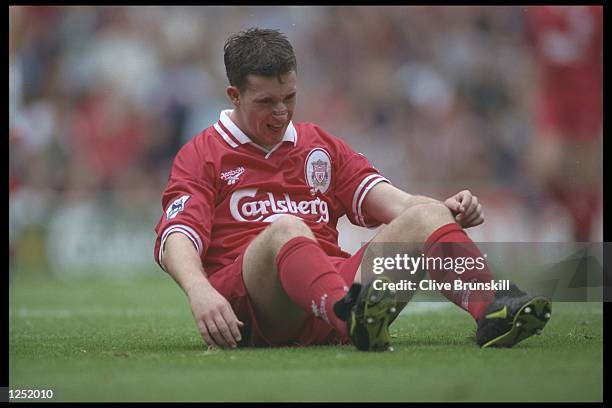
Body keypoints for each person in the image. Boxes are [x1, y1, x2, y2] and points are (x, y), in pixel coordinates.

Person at [154, 28, 551, 351]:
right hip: (256, 310)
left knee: (426, 213)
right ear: (234, 96)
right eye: (266, 101)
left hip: (332, 291)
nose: (281, 112)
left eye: (289, 97)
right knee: (286, 228)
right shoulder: (203, 152)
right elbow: (176, 236)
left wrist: (446, 210)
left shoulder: (319, 146)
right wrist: (198, 291)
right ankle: (353, 314)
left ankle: (494, 312)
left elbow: (397, 204)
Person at [524, 6, 602, 241]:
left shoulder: (594, 12)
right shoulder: (537, 12)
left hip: (586, 94)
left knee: (586, 169)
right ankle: (575, 215)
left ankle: (583, 233)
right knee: (544, 166)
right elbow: (533, 55)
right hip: (553, 97)